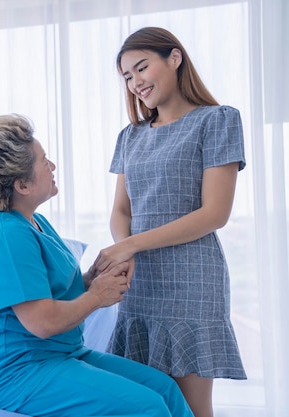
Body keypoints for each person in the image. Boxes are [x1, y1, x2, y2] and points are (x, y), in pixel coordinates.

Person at [0, 113, 194, 417]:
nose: (52, 167)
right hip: (14, 371)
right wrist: (97, 296)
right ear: (23, 185)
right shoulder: (4, 237)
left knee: (165, 388)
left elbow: (46, 290)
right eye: (44, 161)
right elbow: (42, 323)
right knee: (148, 408)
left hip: (59, 353)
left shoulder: (33, 222)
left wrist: (90, 279)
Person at [90, 27, 247, 417]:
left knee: (192, 408)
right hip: (140, 283)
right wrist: (125, 249)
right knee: (146, 403)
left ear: (174, 58)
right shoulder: (130, 136)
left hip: (193, 281)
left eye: (142, 68)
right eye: (127, 77)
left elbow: (215, 214)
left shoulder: (218, 120)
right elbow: (121, 211)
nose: (136, 82)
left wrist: (129, 246)